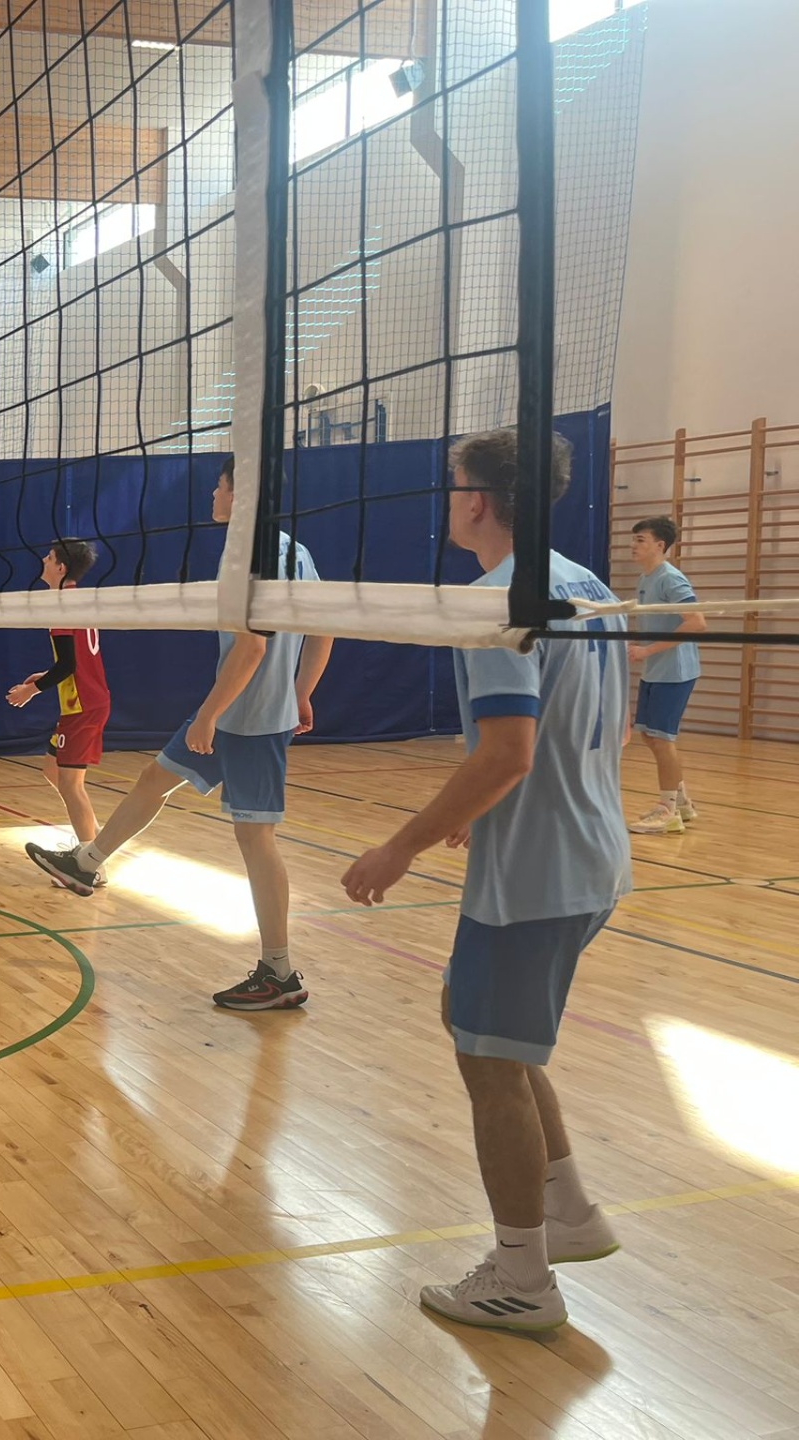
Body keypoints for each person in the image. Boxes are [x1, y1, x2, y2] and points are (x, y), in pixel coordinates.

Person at [342, 429, 628, 1332]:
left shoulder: (493, 601)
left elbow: (509, 751)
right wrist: (485, 805)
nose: (449, 500)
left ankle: (522, 1279)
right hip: (590, 852)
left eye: (454, 485)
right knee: (478, 1027)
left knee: (491, 1064)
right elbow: (589, 729)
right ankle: (569, 1212)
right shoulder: (589, 585)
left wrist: (401, 847)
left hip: (539, 872)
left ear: (476, 500)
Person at [27, 458, 333, 1011]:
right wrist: (303, 691)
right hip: (242, 707)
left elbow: (253, 647)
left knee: (255, 839)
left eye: (219, 485)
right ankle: (86, 862)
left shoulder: (248, 556)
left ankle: (279, 972)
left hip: (251, 719)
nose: (212, 493)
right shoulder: (296, 550)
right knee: (154, 779)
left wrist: (210, 714)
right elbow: (324, 626)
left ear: (241, 495)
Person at [6, 539, 110, 860]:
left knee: (70, 784)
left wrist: (31, 691)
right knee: (53, 771)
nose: (43, 560)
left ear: (61, 568)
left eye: (49, 558)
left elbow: (68, 664)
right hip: (84, 700)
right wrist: (46, 675)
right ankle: (96, 842)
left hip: (83, 706)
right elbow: (74, 660)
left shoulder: (62, 605)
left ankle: (90, 863)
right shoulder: (76, 599)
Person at [626, 516, 706, 835]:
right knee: (650, 736)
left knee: (661, 738)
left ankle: (667, 811)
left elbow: (696, 622)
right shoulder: (646, 578)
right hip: (655, 670)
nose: (633, 545)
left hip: (674, 672)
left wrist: (647, 651)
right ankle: (682, 802)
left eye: (640, 540)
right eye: (633, 539)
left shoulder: (670, 578)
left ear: (660, 545)